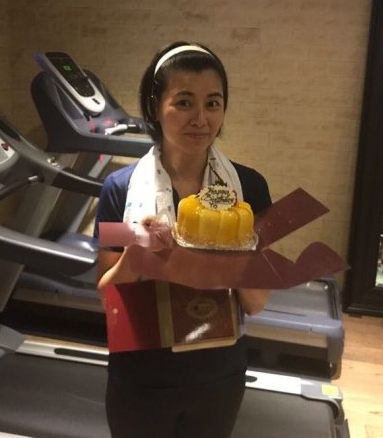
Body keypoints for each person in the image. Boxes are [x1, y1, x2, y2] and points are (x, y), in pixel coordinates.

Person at [94, 42, 272, 437]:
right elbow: (108, 300)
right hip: (140, 376)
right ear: (156, 107)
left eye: (213, 103)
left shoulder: (249, 190)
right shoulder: (120, 190)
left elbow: (257, 303)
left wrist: (231, 256)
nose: (201, 119)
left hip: (219, 375)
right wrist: (135, 257)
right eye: (185, 102)